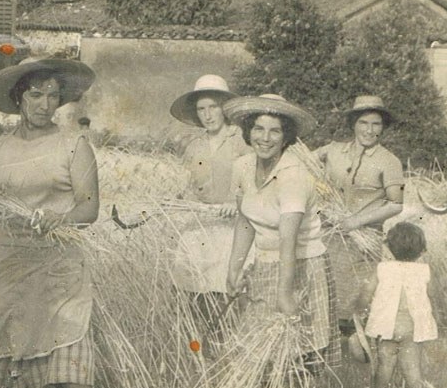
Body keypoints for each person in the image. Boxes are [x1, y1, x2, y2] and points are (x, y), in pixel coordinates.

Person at [0, 58, 101, 388]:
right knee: (15, 372)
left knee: (70, 371)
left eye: (52, 95)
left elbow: (89, 206)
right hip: (9, 266)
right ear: (18, 98)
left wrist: (58, 221)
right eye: (35, 94)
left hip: (58, 269)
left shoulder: (73, 145)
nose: (45, 104)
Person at [223, 94, 337, 372]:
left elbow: (289, 238)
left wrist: (286, 293)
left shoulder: (294, 175)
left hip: (300, 266)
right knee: (261, 346)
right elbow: (245, 221)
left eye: (275, 131)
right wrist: (234, 269)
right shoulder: (243, 167)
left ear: (286, 137)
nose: (266, 138)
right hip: (265, 264)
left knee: (298, 352)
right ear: (248, 132)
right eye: (259, 129)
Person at [315, 96, 404, 356]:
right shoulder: (332, 150)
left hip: (363, 244)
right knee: (324, 298)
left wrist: (354, 222)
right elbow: (300, 164)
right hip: (328, 237)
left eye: (376, 124)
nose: (369, 130)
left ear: (383, 127)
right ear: (353, 124)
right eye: (363, 122)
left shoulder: (390, 161)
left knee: (355, 304)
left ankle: (358, 354)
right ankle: (325, 358)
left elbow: (396, 204)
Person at [168, 75, 251, 347]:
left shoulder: (240, 140)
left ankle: (225, 345)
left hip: (231, 227)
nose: (207, 115)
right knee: (193, 290)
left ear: (224, 108)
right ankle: (196, 346)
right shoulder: (194, 145)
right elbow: (190, 183)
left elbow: (253, 182)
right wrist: (183, 200)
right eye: (202, 109)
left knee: (224, 292)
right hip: (199, 225)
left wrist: (235, 202)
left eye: (213, 107)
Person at [358, 222, 438, 388]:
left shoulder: (382, 268)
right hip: (412, 326)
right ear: (421, 250)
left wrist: (359, 309)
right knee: (412, 365)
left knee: (385, 363)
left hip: (388, 326)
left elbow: (366, 293)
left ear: (390, 247)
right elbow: (432, 294)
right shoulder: (424, 270)